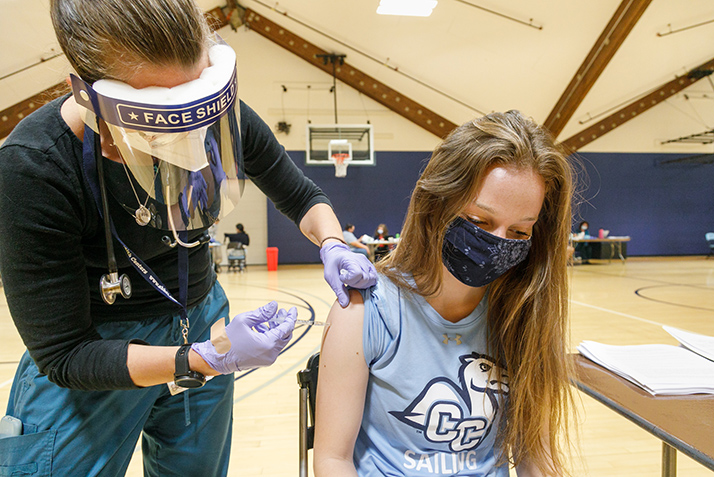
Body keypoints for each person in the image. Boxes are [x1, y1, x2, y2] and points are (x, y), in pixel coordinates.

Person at [0, 1, 376, 475]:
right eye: (159, 116)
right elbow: (64, 353)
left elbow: (302, 197)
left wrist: (332, 242)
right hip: (96, 349)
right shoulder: (33, 166)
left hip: (200, 315)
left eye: (193, 106)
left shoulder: (218, 116)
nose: (187, 133)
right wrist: (199, 358)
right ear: (88, 94)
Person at [314, 111, 575, 476]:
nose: (497, 243)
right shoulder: (363, 310)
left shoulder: (522, 315)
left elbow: (536, 457)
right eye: (479, 222)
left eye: (518, 232)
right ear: (437, 204)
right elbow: (332, 460)